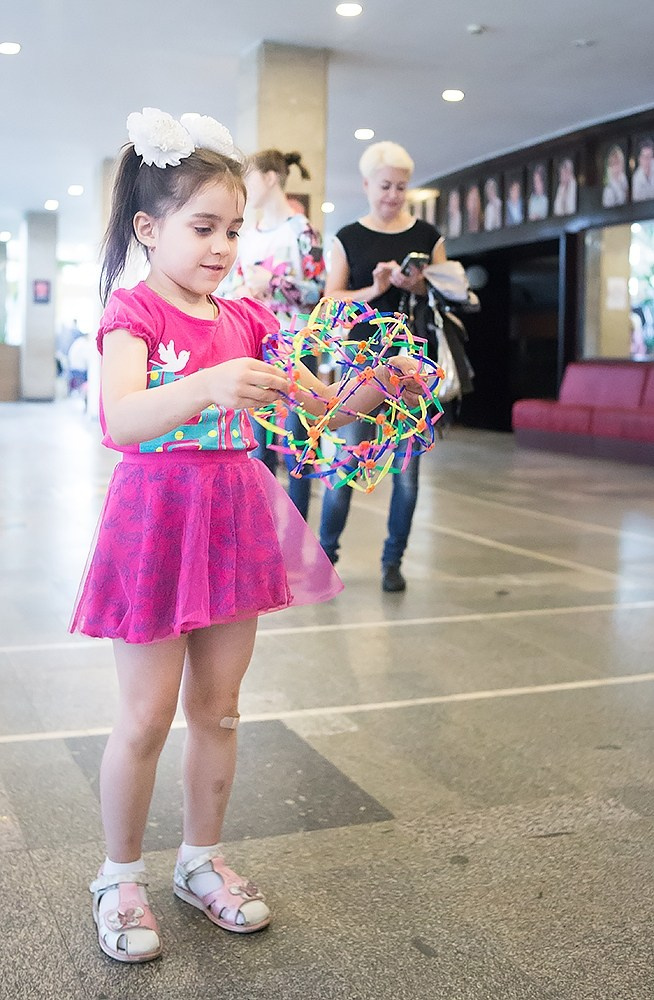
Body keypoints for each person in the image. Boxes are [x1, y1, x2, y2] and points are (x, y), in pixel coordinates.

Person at [69, 109, 427, 965]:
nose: (224, 246)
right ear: (150, 230)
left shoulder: (249, 323)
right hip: (156, 520)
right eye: (203, 228)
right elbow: (122, 417)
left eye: (233, 228)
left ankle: (200, 859)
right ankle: (119, 872)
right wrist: (208, 383)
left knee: (219, 712)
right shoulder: (134, 313)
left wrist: (381, 385)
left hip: (234, 520)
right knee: (147, 716)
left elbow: (327, 415)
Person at [318, 140, 445, 593]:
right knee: (348, 463)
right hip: (362, 362)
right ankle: (325, 557)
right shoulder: (348, 238)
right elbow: (331, 300)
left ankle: (393, 562)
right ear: (367, 185)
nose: (393, 195)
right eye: (385, 185)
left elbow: (448, 293)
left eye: (401, 187)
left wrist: (420, 282)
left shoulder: (428, 237)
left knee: (406, 476)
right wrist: (374, 289)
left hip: (413, 365)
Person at [222, 149, 324, 519]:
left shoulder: (302, 230)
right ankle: (259, 528)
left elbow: (320, 291)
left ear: (269, 178)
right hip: (257, 343)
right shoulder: (248, 235)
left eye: (249, 178)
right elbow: (231, 287)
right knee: (258, 442)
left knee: (299, 442)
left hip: (296, 343)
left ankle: (298, 536)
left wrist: (275, 283)